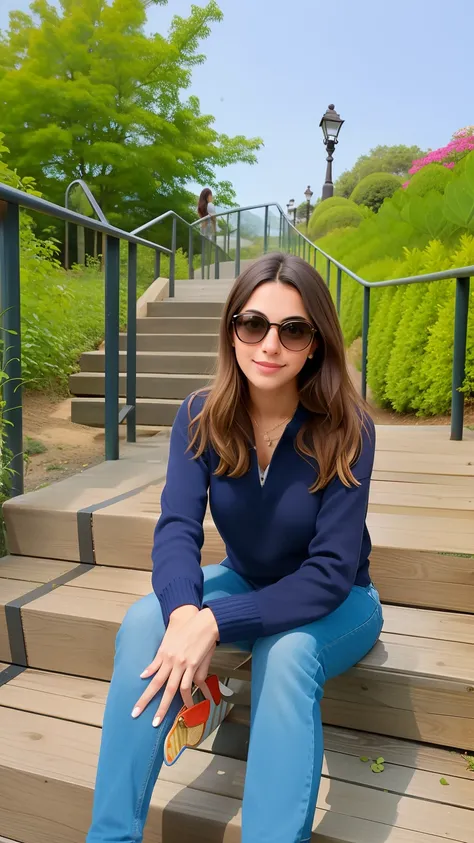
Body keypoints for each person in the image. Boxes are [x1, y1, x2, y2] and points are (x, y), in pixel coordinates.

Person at [87, 252, 383, 843]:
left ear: (315, 343)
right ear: (232, 329)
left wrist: (214, 621)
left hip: (340, 601)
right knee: (148, 620)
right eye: (254, 324)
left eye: (292, 330)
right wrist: (182, 615)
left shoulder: (348, 428)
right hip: (247, 578)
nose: (269, 345)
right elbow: (176, 528)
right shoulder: (201, 416)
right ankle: (111, 836)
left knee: (290, 653)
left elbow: (329, 574)